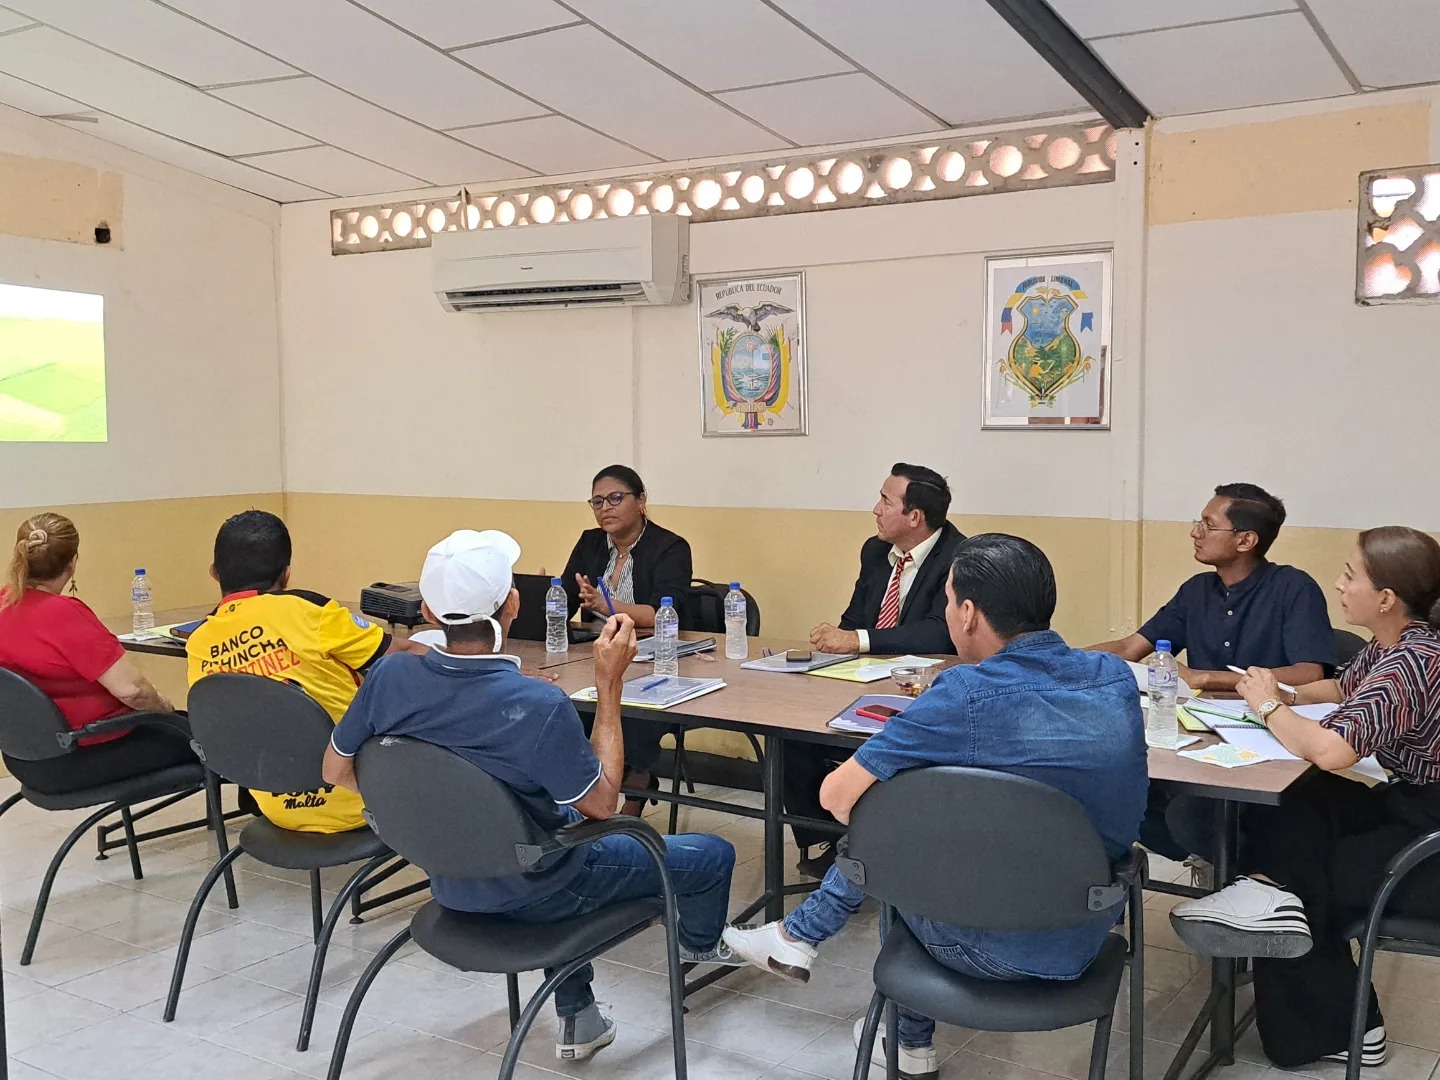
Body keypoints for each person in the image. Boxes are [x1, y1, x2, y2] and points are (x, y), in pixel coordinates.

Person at [725, 534, 1148, 1080]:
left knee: (895, 827)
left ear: (967, 613)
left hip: (978, 944)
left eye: (947, 602)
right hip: (1083, 934)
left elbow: (835, 798)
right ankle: (800, 940)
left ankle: (897, 1031)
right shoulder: (1113, 677)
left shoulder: (963, 693)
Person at [323, 529, 738, 1062]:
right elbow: (603, 806)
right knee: (709, 855)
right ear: (514, 605)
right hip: (540, 889)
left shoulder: (388, 677)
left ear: (426, 610)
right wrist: (608, 685)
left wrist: (438, 810)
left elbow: (335, 769)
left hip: (448, 876)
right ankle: (700, 945)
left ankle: (579, 1014)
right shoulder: (535, 703)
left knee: (539, 822)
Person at [1170, 526, 1440, 1069]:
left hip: (1428, 831)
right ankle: (1261, 890)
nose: (1339, 584)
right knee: (1293, 804)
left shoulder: (1412, 661)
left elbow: (1332, 750)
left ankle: (1347, 1029)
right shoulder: (1392, 643)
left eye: (1350, 575)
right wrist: (1284, 692)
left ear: (1386, 598)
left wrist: (1269, 708)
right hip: (1405, 800)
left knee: (1302, 880)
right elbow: (1342, 688)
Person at [1091, 483, 1334, 865]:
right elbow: (1130, 647)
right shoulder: (1197, 590)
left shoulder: (1293, 588)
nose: (1195, 532)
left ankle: (1243, 870)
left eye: (1207, 524)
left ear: (1245, 540)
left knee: (1191, 814)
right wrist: (1055, 656)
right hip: (1199, 738)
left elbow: (1310, 672)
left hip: (1268, 743)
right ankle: (1214, 861)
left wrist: (1205, 678)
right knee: (1117, 793)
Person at [185, 510, 416, 834]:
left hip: (273, 804)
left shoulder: (198, 642)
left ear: (214, 573)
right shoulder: (309, 612)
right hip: (359, 798)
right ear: (287, 573)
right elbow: (402, 657)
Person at [788, 463, 966, 876]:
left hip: (920, 693)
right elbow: (855, 620)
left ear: (914, 516)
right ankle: (827, 840)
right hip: (861, 684)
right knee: (791, 733)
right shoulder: (875, 551)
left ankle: (874, 846)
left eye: (886, 501)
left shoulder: (959, 557)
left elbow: (939, 634)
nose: (875, 509)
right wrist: (835, 641)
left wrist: (858, 640)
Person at [0, 513, 194, 793]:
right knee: (206, 735)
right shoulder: (64, 614)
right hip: (81, 755)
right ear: (73, 563)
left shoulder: (5, 601)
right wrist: (167, 711)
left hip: (24, 757)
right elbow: (133, 692)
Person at [561, 465, 693, 814]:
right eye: (598, 501)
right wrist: (549, 598)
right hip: (598, 655)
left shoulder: (670, 547)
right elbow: (569, 598)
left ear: (641, 501)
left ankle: (636, 783)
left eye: (616, 498)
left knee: (632, 709)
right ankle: (582, 794)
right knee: (566, 704)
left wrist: (608, 606)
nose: (606, 508)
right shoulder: (590, 543)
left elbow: (665, 612)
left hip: (655, 661)